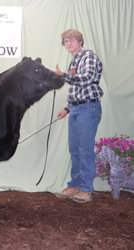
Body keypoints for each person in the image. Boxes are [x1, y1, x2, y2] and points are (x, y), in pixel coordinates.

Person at [53, 29, 103, 203]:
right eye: (66, 40)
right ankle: (74, 185)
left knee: (85, 151)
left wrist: (64, 76)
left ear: (80, 41)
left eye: (72, 39)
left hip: (88, 108)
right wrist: (67, 108)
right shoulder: (74, 60)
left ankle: (86, 190)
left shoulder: (89, 56)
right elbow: (75, 87)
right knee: (75, 150)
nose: (69, 43)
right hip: (76, 109)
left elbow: (87, 79)